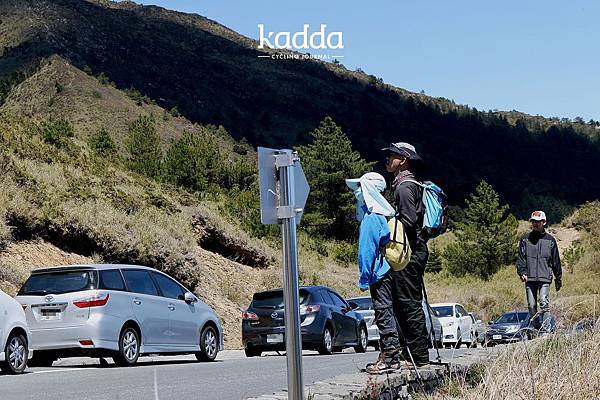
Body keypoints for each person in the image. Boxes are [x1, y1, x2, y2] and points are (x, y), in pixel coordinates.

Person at [345, 172, 402, 374]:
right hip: (387, 272)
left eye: (360, 187)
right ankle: (393, 355)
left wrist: (364, 277)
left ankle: (390, 356)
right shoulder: (382, 215)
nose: (357, 192)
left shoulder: (371, 218)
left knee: (383, 311)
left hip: (378, 274)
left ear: (369, 190)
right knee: (387, 311)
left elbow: (366, 252)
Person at [381, 142, 430, 367]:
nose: (388, 159)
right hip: (414, 250)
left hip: (409, 253)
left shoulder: (403, 187)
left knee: (408, 303)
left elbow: (409, 221)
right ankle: (411, 355)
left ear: (404, 159)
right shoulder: (410, 184)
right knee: (405, 303)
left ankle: (418, 358)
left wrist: (388, 223)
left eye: (393, 155)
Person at [516, 210, 562, 334]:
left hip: (545, 277)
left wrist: (558, 278)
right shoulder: (525, 239)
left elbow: (556, 260)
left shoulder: (550, 240)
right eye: (533, 222)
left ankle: (546, 330)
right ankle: (536, 326)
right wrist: (521, 272)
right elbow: (521, 258)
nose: (535, 224)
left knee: (544, 301)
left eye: (537, 222)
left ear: (544, 222)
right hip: (529, 278)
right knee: (531, 305)